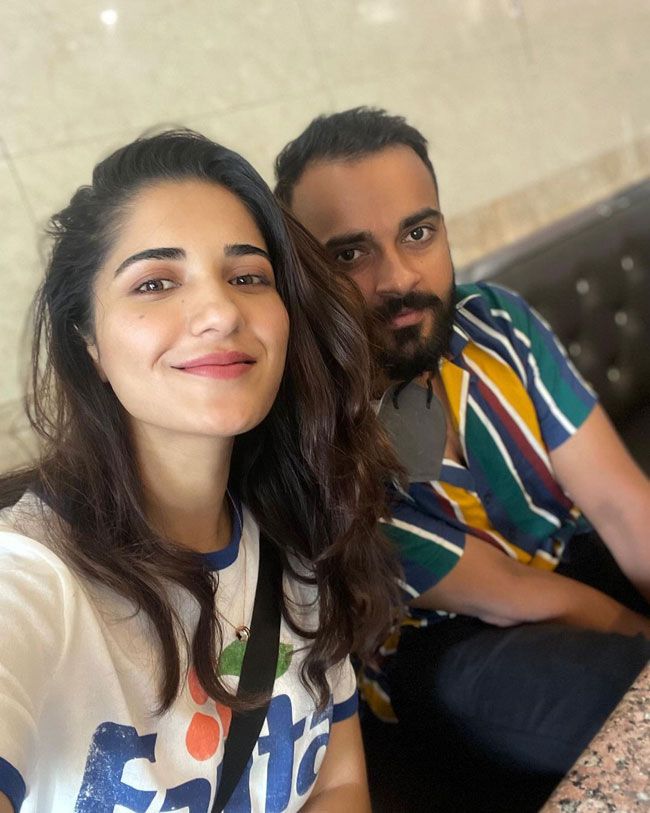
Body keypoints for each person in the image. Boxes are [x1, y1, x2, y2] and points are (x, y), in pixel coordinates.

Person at [0, 129, 405, 812]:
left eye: (247, 277)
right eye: (155, 283)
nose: (220, 312)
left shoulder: (299, 534)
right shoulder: (30, 578)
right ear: (89, 340)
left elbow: (338, 783)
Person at [274, 107, 650, 811]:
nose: (398, 277)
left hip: (561, 556)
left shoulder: (496, 322)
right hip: (449, 644)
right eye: (350, 254)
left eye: (418, 233)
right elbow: (506, 590)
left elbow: (623, 505)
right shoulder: (309, 434)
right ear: (304, 273)